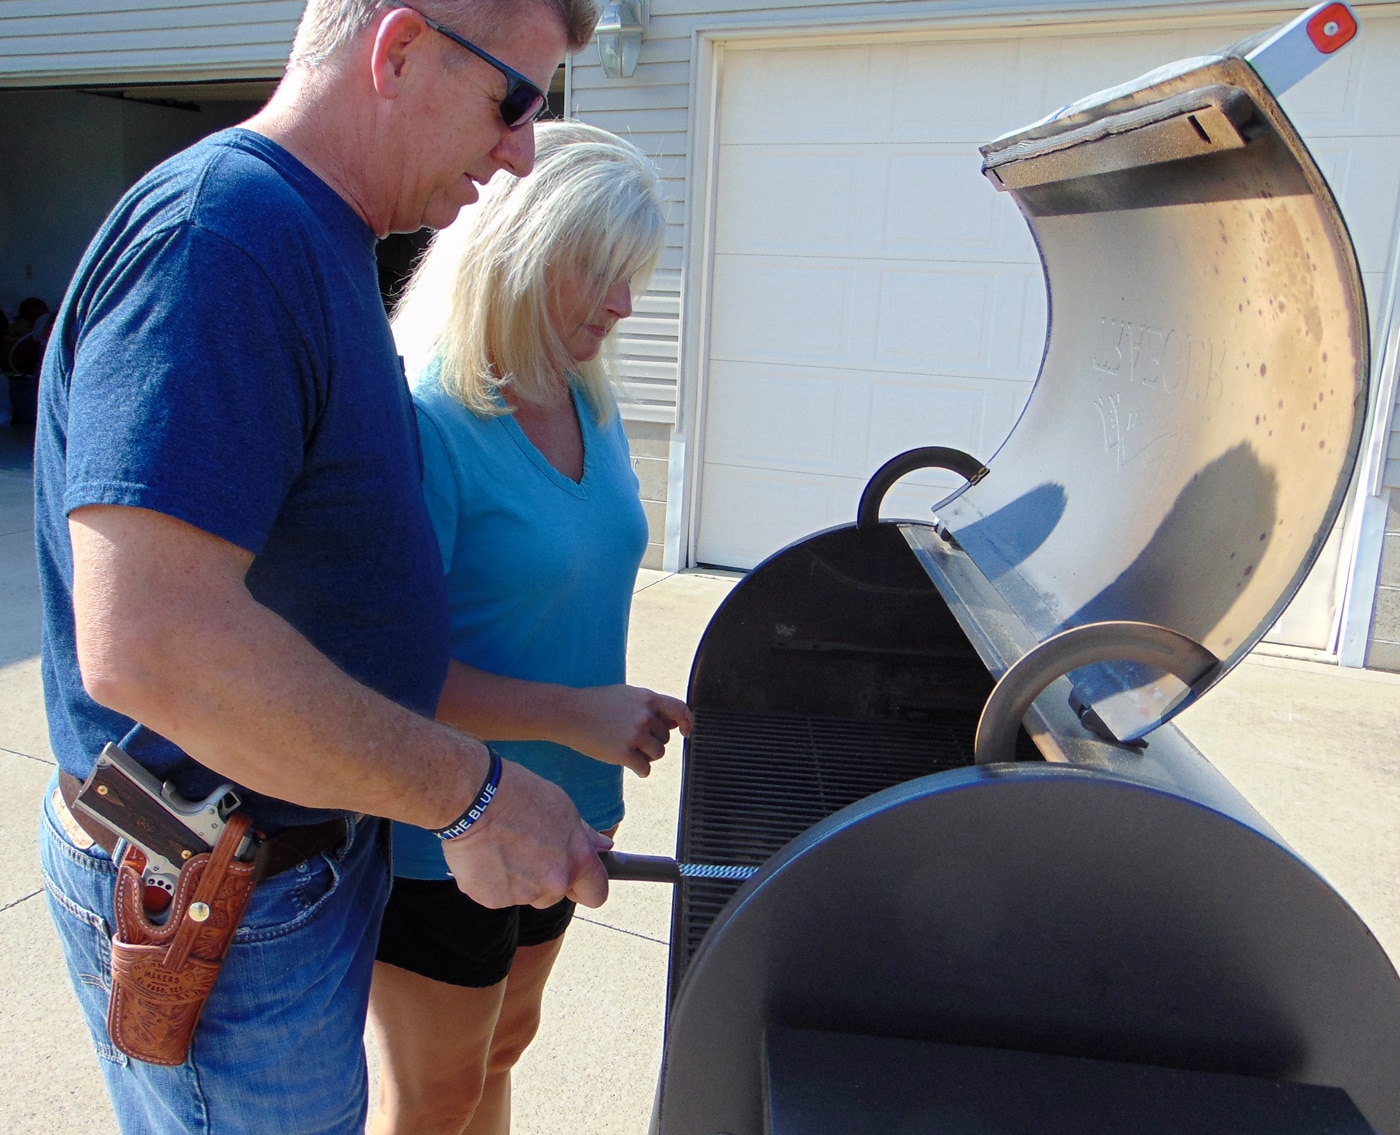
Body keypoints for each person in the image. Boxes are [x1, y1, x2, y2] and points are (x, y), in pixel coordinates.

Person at [33, 2, 614, 1131]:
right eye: (514, 101)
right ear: (396, 50)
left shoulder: (320, 235)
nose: (521, 151)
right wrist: (475, 795)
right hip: (214, 890)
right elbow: (151, 646)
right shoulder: (223, 237)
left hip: (277, 868)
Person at [367, 122, 689, 1135]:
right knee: (433, 1098)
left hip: (566, 804)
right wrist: (578, 712)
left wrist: (609, 717)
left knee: (503, 1051)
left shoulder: (583, 393)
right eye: (596, 270)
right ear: (512, 248)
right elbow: (379, 674)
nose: (623, 304)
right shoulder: (428, 418)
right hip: (449, 824)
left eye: (631, 273)